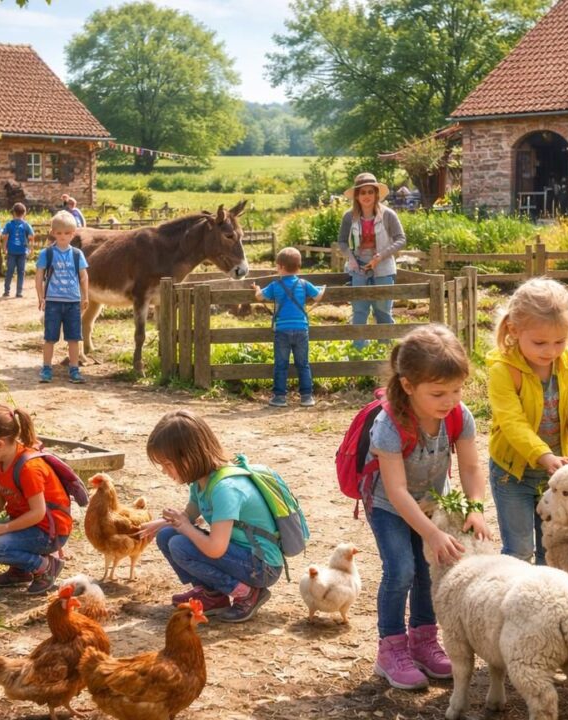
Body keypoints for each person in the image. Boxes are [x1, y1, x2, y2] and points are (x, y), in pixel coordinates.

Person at [364, 324, 490, 690]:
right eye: (438, 393)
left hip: (432, 501)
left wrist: (476, 507)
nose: (450, 399)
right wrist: (432, 532)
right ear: (407, 386)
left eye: (457, 389)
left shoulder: (458, 414)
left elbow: (469, 466)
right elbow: (397, 490)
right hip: (390, 505)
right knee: (401, 569)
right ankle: (390, 649)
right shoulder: (389, 425)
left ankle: (423, 641)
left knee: (431, 568)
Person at [486, 277, 568, 565]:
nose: (550, 350)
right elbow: (512, 423)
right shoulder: (503, 369)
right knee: (519, 549)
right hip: (512, 474)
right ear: (514, 329)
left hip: (556, 475)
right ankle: (513, 607)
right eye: (540, 342)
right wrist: (544, 456)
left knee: (552, 549)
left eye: (559, 341)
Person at [138, 409, 284, 623]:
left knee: (180, 544)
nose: (164, 471)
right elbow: (190, 513)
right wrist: (161, 523)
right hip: (241, 555)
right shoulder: (202, 481)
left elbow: (215, 548)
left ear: (189, 456)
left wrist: (186, 527)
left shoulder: (225, 489)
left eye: (168, 464)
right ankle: (213, 595)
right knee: (167, 535)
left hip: (262, 566)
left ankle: (247, 593)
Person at [0, 400, 69, 595]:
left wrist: (5, 528)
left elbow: (38, 512)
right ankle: (21, 570)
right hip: (26, 524)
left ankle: (44, 566)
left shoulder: (28, 468)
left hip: (48, 531)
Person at [335, 172, 406, 349]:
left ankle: (384, 353)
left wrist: (380, 256)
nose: (366, 196)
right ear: (357, 196)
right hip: (357, 268)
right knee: (359, 311)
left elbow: (400, 239)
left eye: (370, 192)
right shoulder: (348, 217)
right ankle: (359, 352)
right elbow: (342, 242)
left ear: (376, 194)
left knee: (383, 311)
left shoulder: (388, 215)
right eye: (362, 192)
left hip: (383, 268)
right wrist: (350, 259)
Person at [253, 247, 325, 408]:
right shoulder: (304, 284)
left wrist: (257, 289)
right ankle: (306, 396)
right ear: (299, 267)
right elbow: (318, 297)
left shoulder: (275, 285)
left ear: (280, 267)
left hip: (282, 331)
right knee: (303, 363)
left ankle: (279, 397)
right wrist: (323, 289)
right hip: (301, 329)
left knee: (281, 363)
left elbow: (259, 297)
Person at [34, 211, 89, 384]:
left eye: (67, 233)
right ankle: (46, 368)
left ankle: (74, 368)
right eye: (59, 233)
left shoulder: (77, 254)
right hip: (53, 302)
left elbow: (83, 276)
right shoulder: (47, 253)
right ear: (53, 233)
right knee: (49, 337)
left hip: (73, 302)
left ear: (73, 234)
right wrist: (41, 297)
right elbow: (39, 276)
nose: (63, 237)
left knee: (74, 338)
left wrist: (85, 296)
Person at [2, 202, 34, 298]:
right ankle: (19, 292)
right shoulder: (26, 225)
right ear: (24, 213)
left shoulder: (9, 224)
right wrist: (30, 248)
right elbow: (31, 237)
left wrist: (4, 247)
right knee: (21, 272)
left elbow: (5, 237)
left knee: (10, 271)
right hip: (22, 252)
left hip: (11, 251)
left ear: (13, 213)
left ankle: (6, 291)